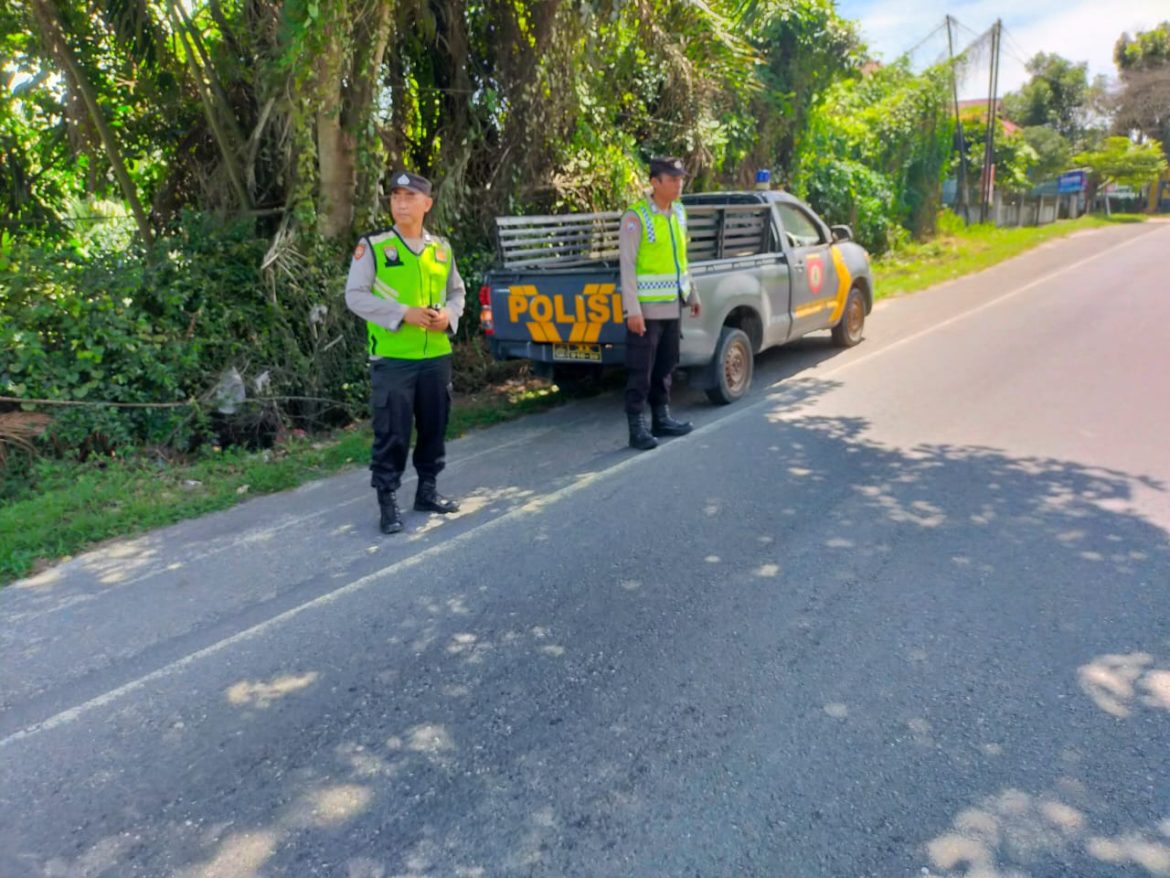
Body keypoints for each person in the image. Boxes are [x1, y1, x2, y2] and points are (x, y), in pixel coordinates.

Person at [344, 170, 465, 534]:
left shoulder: (441, 249)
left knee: (434, 428)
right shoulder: (375, 246)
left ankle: (427, 491)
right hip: (394, 360)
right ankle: (388, 501)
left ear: (426, 204)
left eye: (409, 196)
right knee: (392, 433)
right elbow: (355, 296)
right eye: (395, 196)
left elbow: (457, 292)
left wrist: (449, 316)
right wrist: (402, 314)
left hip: (435, 358)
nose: (400, 203)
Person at [619, 156, 701, 451]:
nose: (679, 184)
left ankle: (661, 417)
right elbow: (627, 266)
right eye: (673, 179)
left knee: (666, 365)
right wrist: (633, 310)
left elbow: (681, 259)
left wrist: (692, 294)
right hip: (646, 311)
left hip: (671, 306)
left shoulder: (678, 212)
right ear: (655, 182)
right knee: (641, 369)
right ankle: (636, 427)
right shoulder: (636, 216)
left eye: (681, 178)